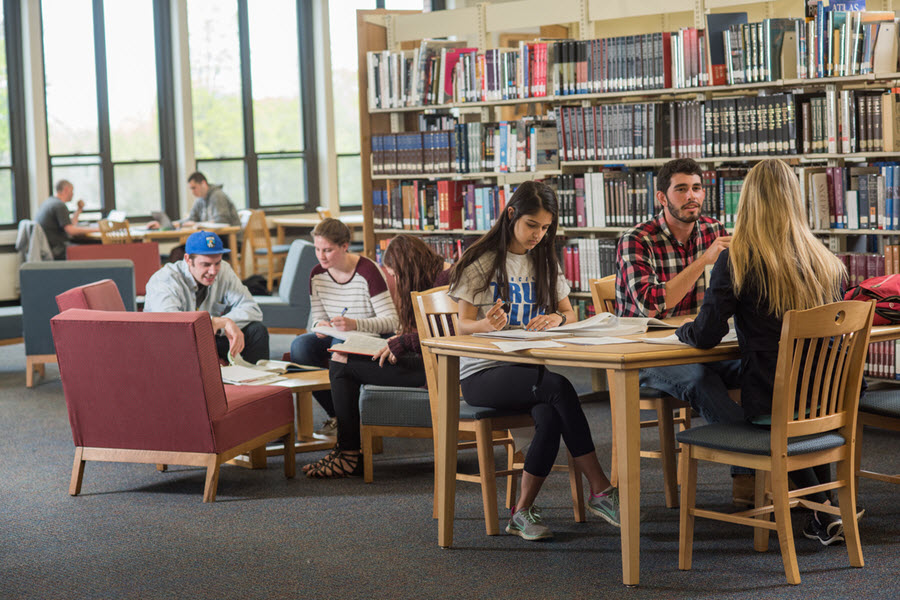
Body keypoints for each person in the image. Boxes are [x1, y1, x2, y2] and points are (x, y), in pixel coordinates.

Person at [675, 158, 850, 546]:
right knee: (793, 416)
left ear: (748, 201)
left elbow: (705, 335)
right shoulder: (826, 262)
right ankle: (827, 511)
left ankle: (823, 509)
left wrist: (681, 331)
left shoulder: (738, 258)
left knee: (773, 421)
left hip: (772, 400)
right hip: (826, 401)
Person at [449, 180, 619, 541]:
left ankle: (521, 511)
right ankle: (601, 488)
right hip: (482, 373)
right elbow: (461, 326)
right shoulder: (483, 261)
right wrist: (483, 323)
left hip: (525, 370)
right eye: (532, 226)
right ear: (511, 214)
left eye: (545, 228)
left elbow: (569, 314)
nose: (538, 235)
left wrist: (557, 318)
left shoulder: (543, 259)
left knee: (549, 416)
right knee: (559, 388)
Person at [615, 157, 749, 504]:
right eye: (682, 189)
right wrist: (703, 261)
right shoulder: (636, 240)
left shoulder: (713, 230)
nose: (692, 196)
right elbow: (652, 301)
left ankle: (780, 463)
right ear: (662, 197)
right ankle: (750, 475)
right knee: (699, 382)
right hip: (644, 354)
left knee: (758, 367)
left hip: (698, 342)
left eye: (697, 188)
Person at [303, 235, 451, 478]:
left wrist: (402, 342)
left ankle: (348, 455)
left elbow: (445, 335)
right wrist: (400, 340)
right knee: (341, 355)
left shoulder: (445, 280)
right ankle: (345, 451)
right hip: (426, 360)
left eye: (398, 275)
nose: (398, 281)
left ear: (408, 267)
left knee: (341, 364)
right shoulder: (434, 275)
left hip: (435, 369)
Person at [291, 218, 399, 437]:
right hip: (337, 333)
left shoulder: (368, 271)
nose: (321, 256)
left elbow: (392, 321)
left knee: (339, 345)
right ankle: (337, 415)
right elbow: (318, 319)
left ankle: (348, 421)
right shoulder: (317, 275)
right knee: (299, 347)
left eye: (328, 250)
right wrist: (319, 326)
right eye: (317, 249)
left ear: (344, 246)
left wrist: (355, 324)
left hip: (370, 335)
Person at [144, 230, 269, 363]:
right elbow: (170, 324)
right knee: (180, 339)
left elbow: (252, 309)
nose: (213, 271)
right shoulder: (165, 279)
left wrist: (224, 324)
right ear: (188, 260)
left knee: (257, 331)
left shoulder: (224, 271)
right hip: (171, 343)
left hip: (205, 338)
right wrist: (219, 322)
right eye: (206, 264)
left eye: (217, 263)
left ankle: (257, 381)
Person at [35, 180, 99, 260]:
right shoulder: (59, 206)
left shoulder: (50, 202)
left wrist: (79, 210)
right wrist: (97, 229)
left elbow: (71, 224)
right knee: (93, 251)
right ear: (66, 190)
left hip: (49, 247)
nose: (73, 194)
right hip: (58, 249)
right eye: (72, 191)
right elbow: (71, 230)